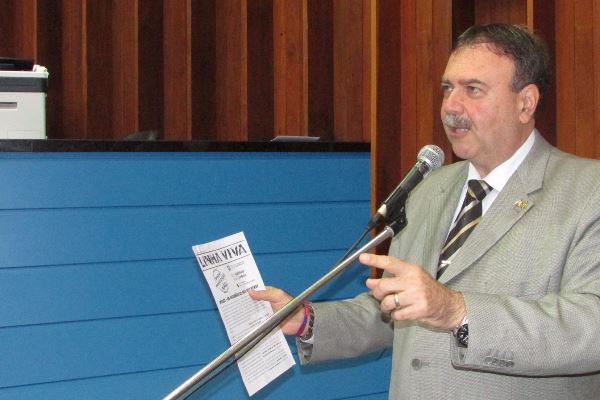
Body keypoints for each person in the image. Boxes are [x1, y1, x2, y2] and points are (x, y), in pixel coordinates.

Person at [249, 23, 600, 399]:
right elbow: (393, 309)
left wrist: (457, 310)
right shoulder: (428, 190)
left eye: (473, 89)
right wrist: (306, 319)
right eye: (448, 88)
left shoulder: (587, 192)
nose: (451, 107)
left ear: (525, 103)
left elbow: (590, 328)